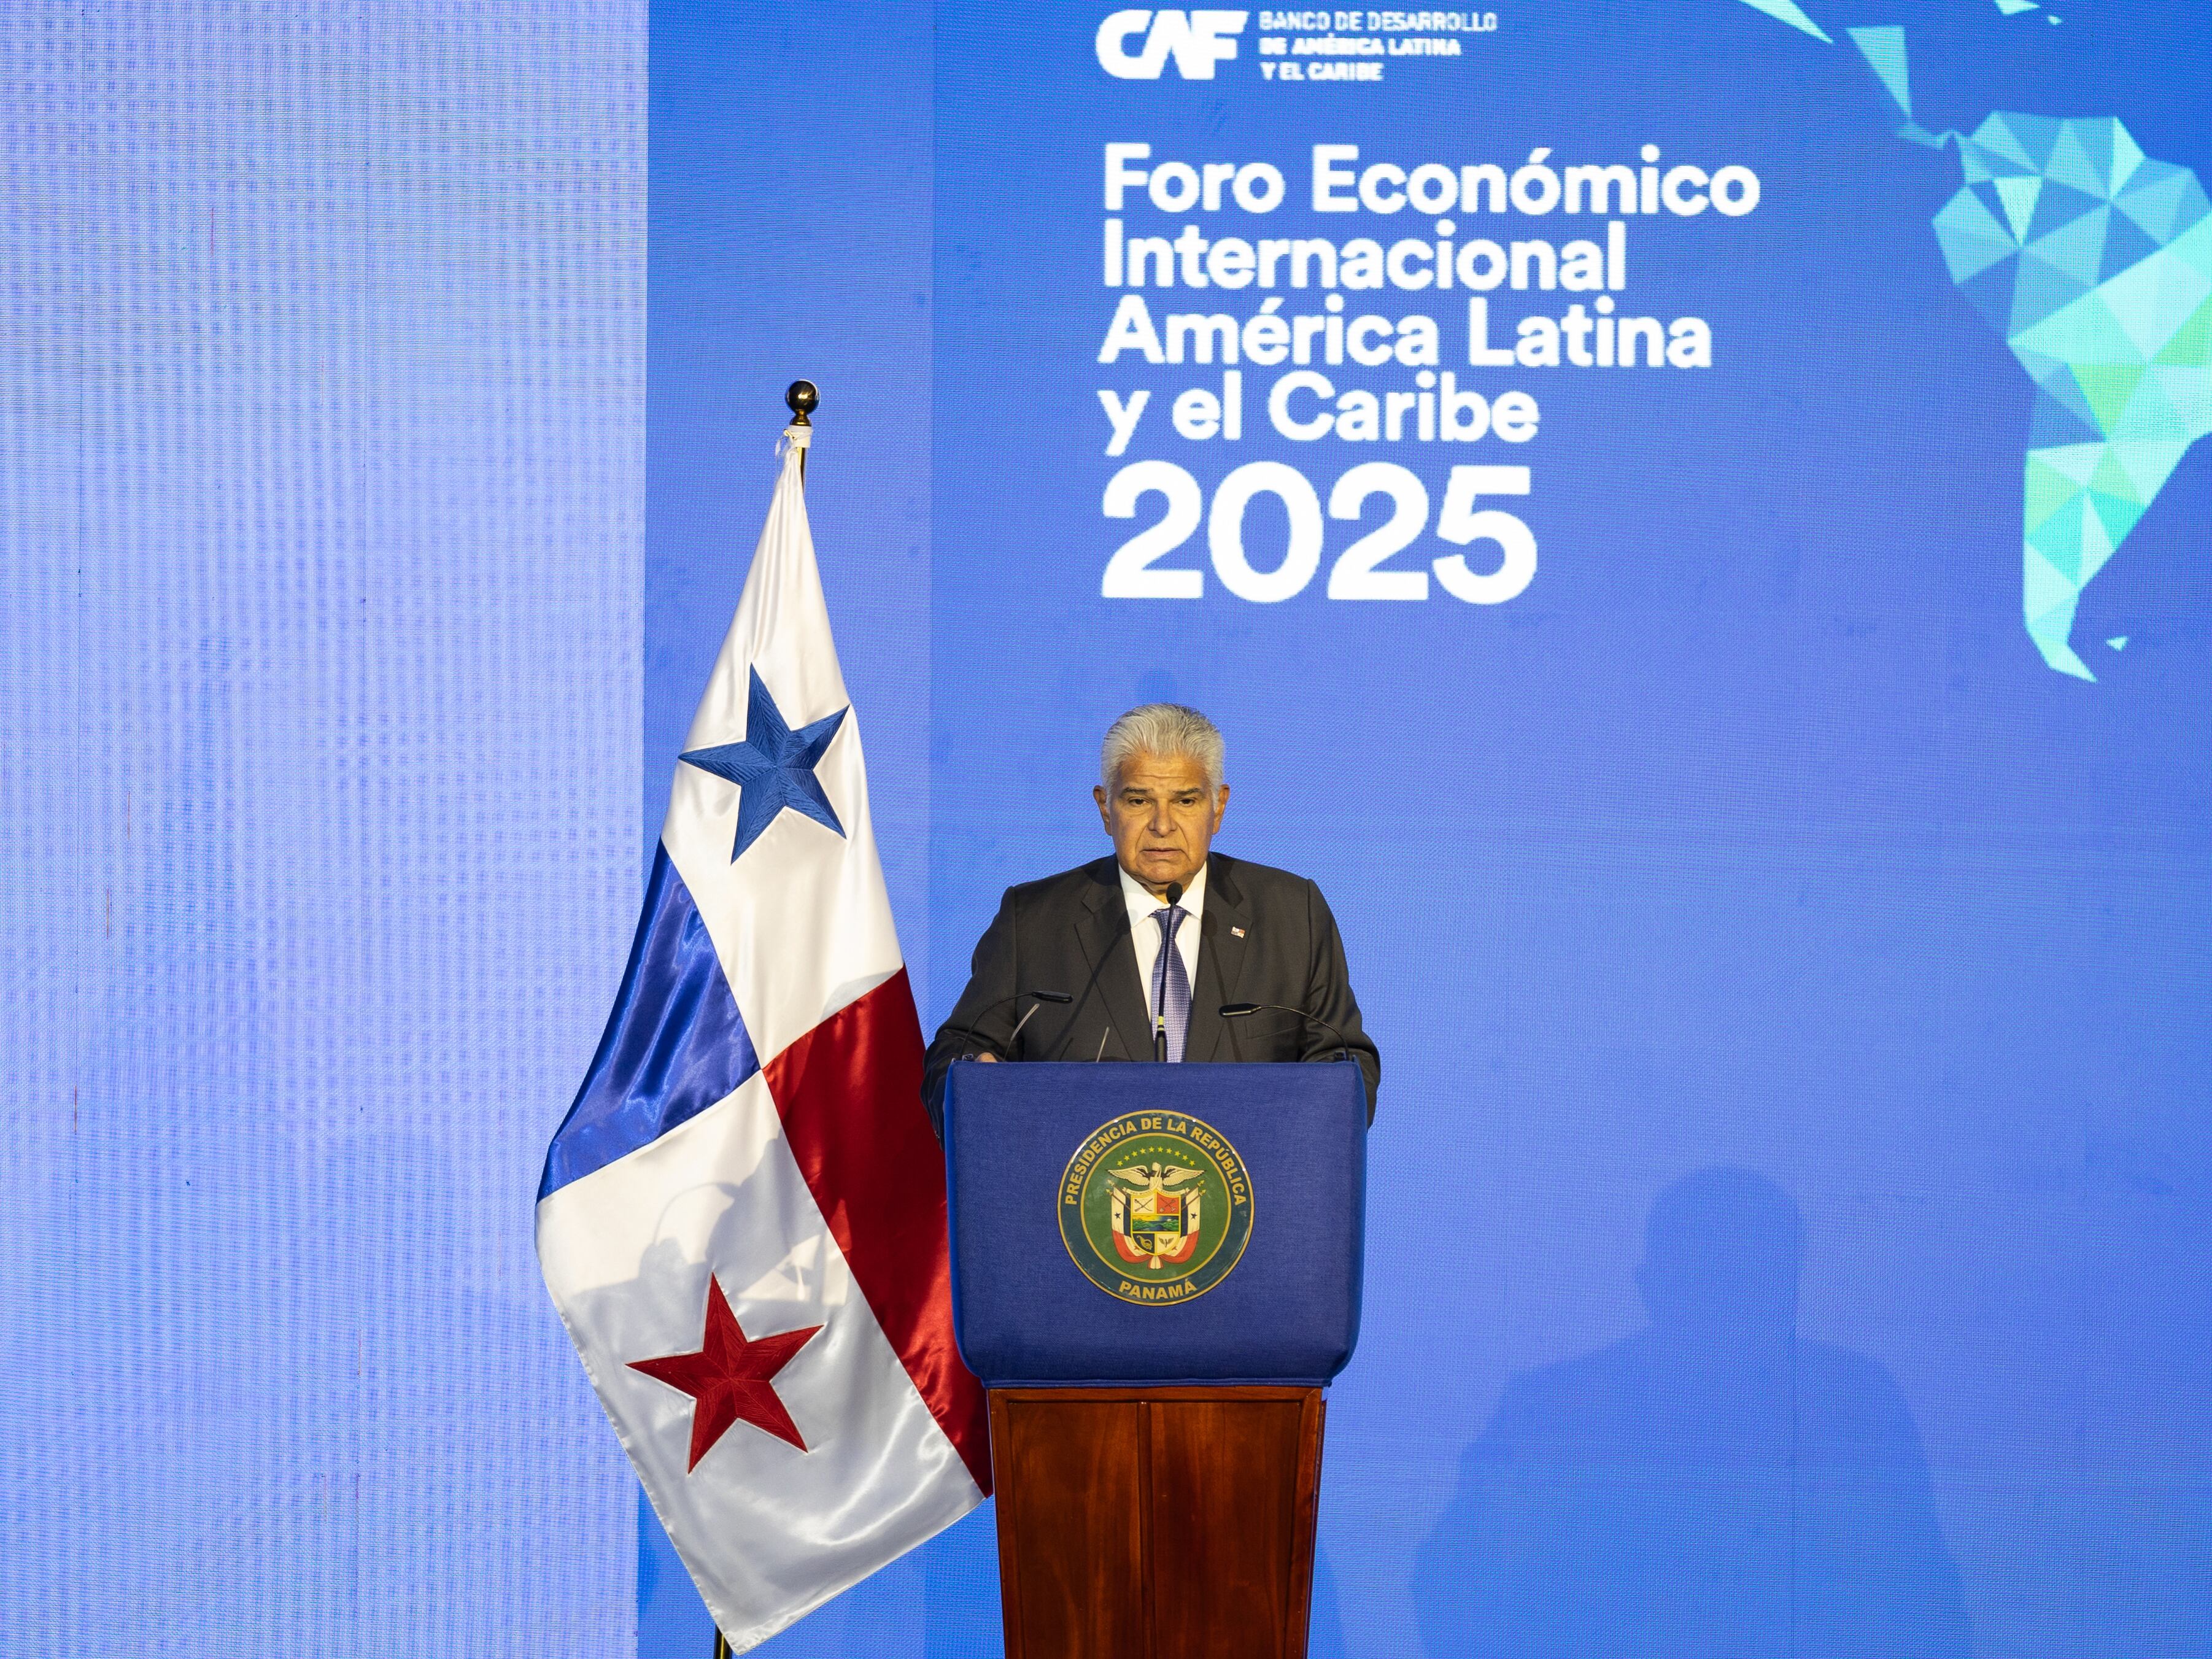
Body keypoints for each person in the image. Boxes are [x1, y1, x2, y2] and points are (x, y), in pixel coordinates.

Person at [922, 703, 1379, 1133]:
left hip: (1252, 1201)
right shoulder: (1034, 920)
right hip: (1075, 1201)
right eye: (1139, 801)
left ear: (1218, 806)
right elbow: (953, 1056)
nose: (1162, 825)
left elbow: (1344, 1059)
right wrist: (974, 1083)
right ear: (1106, 807)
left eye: (1185, 801)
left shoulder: (1291, 912)